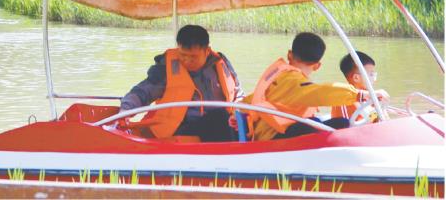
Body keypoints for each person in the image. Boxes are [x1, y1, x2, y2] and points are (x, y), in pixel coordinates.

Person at [243, 33, 389, 141]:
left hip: (270, 131)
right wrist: (360, 95)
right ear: (317, 66)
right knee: (341, 123)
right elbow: (319, 93)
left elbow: (254, 98)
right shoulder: (294, 82)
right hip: (274, 136)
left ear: (289, 55)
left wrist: (237, 112)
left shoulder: (278, 75)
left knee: (323, 123)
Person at [119, 25, 242, 142]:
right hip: (179, 128)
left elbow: (238, 93)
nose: (187, 61)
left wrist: (238, 113)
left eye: (193, 57)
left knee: (236, 121)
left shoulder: (220, 63)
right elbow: (143, 91)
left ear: (207, 51)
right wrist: (125, 110)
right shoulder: (167, 68)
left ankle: (239, 147)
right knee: (219, 117)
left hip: (223, 124)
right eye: (183, 55)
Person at [331, 51, 378, 122]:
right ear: (356, 78)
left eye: (374, 74)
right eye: (371, 75)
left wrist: (379, 108)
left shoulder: (367, 96)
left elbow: (375, 119)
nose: (375, 79)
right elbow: (345, 126)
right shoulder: (344, 100)